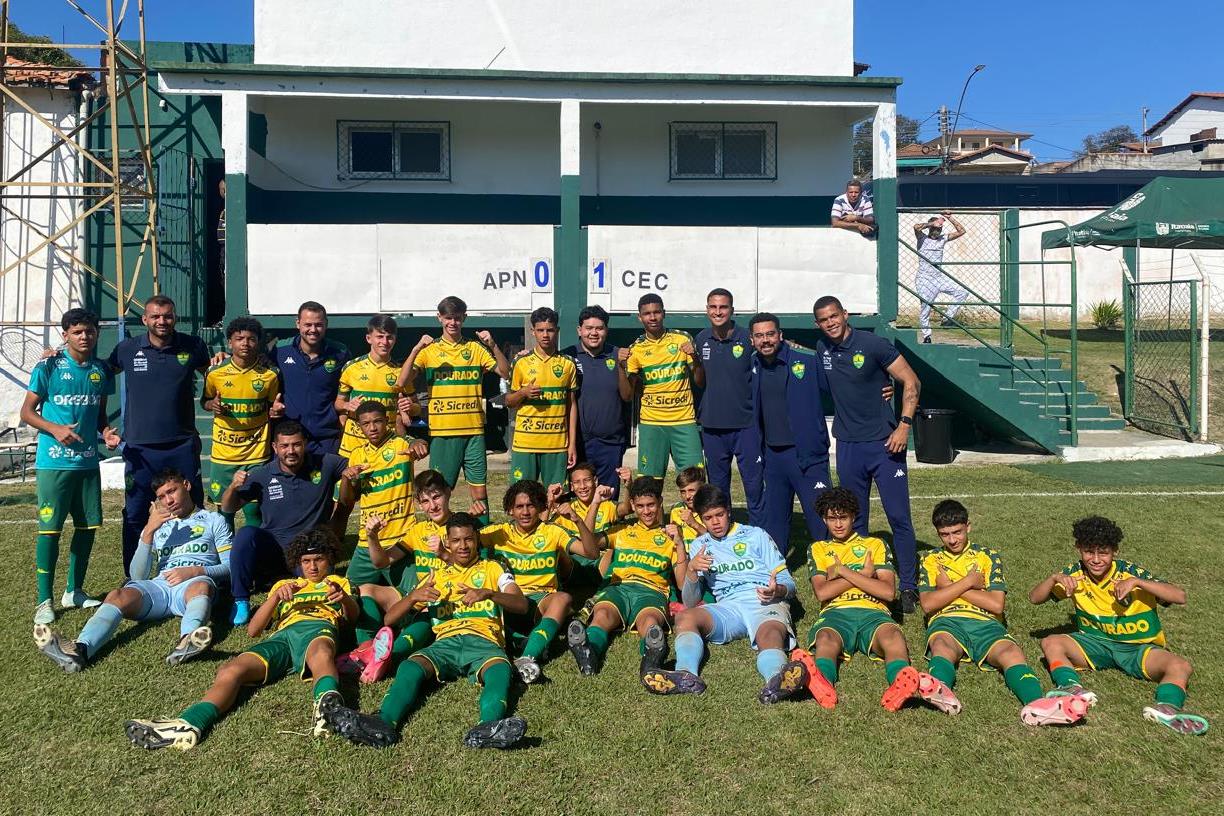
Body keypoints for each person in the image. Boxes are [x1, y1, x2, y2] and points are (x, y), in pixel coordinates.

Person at [124, 526, 398, 750]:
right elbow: (254, 630)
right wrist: (275, 599)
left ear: (330, 558)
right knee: (232, 669)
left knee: (321, 654)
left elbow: (352, 619)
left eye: (319, 559)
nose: (313, 567)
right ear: (298, 563)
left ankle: (329, 709)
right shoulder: (284, 585)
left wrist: (344, 598)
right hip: (283, 636)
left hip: (318, 628)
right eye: (306, 561)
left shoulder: (339, 583)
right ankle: (189, 724)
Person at [34, 469, 232, 671]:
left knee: (200, 587)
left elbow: (230, 567)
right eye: (161, 497)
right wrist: (149, 531)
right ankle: (80, 650)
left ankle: (188, 641)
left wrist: (195, 571)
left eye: (172, 491)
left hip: (194, 584)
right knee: (117, 595)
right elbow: (137, 575)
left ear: (187, 485)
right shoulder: (159, 525)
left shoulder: (213, 520)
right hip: (161, 587)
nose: (168, 500)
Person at [1029, 516, 1208, 735]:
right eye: (1089, 552)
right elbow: (1034, 598)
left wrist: (1138, 582)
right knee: (1051, 642)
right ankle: (1070, 688)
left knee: (1180, 666)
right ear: (1079, 549)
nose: (1096, 559)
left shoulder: (1131, 573)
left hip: (1138, 649)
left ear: (1115, 551)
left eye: (1103, 553)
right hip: (1095, 644)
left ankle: (1167, 709)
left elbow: (1180, 596)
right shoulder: (1075, 573)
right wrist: (1053, 578)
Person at [919, 500, 1089, 726]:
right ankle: (940, 689)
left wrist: (948, 587)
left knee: (1010, 651)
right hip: (948, 620)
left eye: (957, 532)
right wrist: (969, 582)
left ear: (968, 526)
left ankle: (1037, 704)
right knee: (942, 644)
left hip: (986, 621)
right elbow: (928, 604)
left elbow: (996, 605)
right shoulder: (930, 559)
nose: (952, 540)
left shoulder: (988, 556)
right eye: (944, 534)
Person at [375, 512, 532, 749]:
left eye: (468, 539)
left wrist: (489, 593)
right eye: (456, 540)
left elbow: (521, 605)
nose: (463, 546)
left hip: (484, 641)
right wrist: (413, 597)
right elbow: (389, 619)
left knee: (500, 670)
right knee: (410, 665)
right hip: (445, 643)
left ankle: (489, 727)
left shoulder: (493, 569)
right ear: (447, 542)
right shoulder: (436, 575)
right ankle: (383, 722)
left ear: (477, 539)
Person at [791, 488, 953, 712]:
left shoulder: (875, 545)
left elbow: (887, 592)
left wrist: (842, 572)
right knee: (826, 638)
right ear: (824, 520)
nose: (838, 524)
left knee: (893, 637)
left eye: (843, 517)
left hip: (874, 612)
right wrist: (865, 575)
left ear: (853, 516)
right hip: (836, 612)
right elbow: (822, 592)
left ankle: (900, 682)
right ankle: (822, 682)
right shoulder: (818, 548)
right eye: (831, 519)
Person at [642, 485, 807, 704]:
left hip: (764, 601)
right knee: (685, 617)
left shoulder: (755, 535)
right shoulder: (700, 545)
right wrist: (691, 570)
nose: (715, 522)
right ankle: (685, 674)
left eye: (719, 515)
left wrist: (778, 590)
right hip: (729, 607)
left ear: (728, 511)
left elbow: (789, 583)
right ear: (701, 518)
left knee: (769, 634)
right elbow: (690, 601)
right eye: (708, 518)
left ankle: (777, 679)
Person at [813, 296, 923, 613]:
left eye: (834, 316)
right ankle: (861, 582)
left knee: (898, 517)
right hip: (849, 446)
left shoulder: (873, 344)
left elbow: (911, 380)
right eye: (824, 320)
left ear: (845, 314)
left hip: (885, 444)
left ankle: (908, 586)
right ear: (818, 324)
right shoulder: (822, 349)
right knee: (854, 520)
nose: (831, 323)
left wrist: (903, 426)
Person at [22, 308, 120, 624]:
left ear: (96, 334)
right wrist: (55, 429)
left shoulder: (100, 371)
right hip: (54, 463)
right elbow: (27, 412)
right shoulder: (48, 366)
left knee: (87, 528)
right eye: (77, 332)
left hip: (88, 463)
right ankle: (44, 601)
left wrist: (106, 432)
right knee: (50, 530)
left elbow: (100, 416)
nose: (84, 336)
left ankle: (74, 591)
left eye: (89, 331)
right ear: (65, 335)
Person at [107, 294, 211, 575]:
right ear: (145, 319)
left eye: (167, 316)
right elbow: (97, 375)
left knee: (193, 506)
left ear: (175, 317)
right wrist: (103, 426)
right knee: (135, 511)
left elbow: (215, 373)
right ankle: (133, 575)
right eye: (155, 316)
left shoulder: (193, 346)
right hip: (140, 448)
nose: (162, 321)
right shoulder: (127, 349)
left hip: (182, 444)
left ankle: (197, 567)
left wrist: (219, 366)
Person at [339, 469, 474, 684]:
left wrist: (444, 554)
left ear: (448, 492)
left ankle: (389, 656)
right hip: (418, 597)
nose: (433, 506)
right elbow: (382, 562)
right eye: (425, 501)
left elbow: (475, 568)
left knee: (425, 617)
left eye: (437, 497)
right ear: (419, 504)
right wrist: (372, 537)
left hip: (447, 602)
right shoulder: (418, 530)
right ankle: (367, 647)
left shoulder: (461, 528)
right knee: (366, 589)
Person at [398, 296, 510, 527]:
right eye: (448, 318)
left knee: (479, 492)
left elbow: (505, 372)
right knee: (437, 492)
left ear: (464, 318)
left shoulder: (475, 348)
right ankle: (439, 538)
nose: (453, 323)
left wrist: (493, 345)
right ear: (439, 318)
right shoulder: (429, 351)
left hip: (473, 433)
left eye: (457, 318)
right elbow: (402, 381)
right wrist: (416, 348)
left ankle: (481, 538)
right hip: (443, 433)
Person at [220, 421, 347, 625]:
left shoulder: (326, 463)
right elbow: (228, 507)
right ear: (275, 447)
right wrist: (233, 486)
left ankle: (286, 582)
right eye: (284, 446)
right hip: (274, 550)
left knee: (318, 589)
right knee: (246, 534)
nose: (291, 451)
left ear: (305, 444)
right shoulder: (263, 474)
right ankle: (241, 600)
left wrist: (353, 472)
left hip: (308, 551)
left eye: (296, 444)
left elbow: (358, 464)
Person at [567, 476, 688, 680]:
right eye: (640, 506)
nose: (646, 511)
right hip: (619, 588)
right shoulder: (622, 531)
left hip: (651, 591)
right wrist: (595, 503)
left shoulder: (671, 536)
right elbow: (587, 542)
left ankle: (651, 658)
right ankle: (589, 652)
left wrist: (680, 545)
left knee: (649, 622)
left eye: (651, 505)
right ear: (632, 504)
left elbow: (683, 583)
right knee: (602, 614)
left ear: (660, 502)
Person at [481, 479, 597, 684]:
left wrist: (577, 520)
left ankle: (527, 656)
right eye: (519, 506)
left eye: (531, 505)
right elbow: (460, 542)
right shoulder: (497, 533)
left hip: (541, 601)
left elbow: (592, 553)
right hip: (509, 600)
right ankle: (525, 641)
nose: (525, 512)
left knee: (563, 598)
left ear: (541, 507)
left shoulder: (552, 531)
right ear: (510, 510)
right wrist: (473, 520)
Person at [748, 312, 833, 556]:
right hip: (773, 457)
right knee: (775, 522)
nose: (765, 340)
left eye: (770, 334)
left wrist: (881, 387)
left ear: (780, 335)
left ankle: (829, 567)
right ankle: (778, 569)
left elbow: (842, 384)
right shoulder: (752, 365)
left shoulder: (807, 360)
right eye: (759, 336)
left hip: (807, 455)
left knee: (820, 518)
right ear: (752, 340)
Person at [202, 317, 283, 529]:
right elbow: (205, 401)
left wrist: (275, 411)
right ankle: (227, 550)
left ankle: (253, 548)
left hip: (256, 453)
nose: (245, 343)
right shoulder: (214, 372)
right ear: (230, 342)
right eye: (239, 339)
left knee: (254, 510)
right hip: (224, 454)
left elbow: (272, 406)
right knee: (224, 511)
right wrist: (212, 405)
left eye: (251, 339)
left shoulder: (270, 374)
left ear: (258, 343)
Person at [338, 400, 429, 589]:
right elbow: (347, 500)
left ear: (387, 421)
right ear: (359, 426)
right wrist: (346, 478)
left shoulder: (401, 444)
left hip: (401, 540)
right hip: (368, 542)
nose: (372, 428)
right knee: (348, 592)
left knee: (416, 595)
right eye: (366, 424)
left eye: (377, 421)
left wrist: (419, 444)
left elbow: (418, 443)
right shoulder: (357, 455)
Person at [695, 289, 764, 523]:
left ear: (732, 310)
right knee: (718, 490)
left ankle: (759, 533)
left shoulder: (747, 338)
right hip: (713, 426)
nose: (718, 312)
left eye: (723, 307)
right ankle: (725, 536)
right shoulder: (701, 339)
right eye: (713, 307)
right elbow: (700, 381)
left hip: (746, 426)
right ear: (707, 310)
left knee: (754, 486)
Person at [620, 294, 705, 478]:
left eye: (657, 312)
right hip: (652, 423)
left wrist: (695, 357)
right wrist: (622, 367)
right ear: (639, 317)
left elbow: (700, 382)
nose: (653, 317)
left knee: (695, 480)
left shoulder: (682, 339)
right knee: (649, 483)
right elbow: (628, 395)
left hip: (684, 420)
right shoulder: (636, 349)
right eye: (647, 313)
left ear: (664, 313)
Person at [563, 306, 632, 499]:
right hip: (577, 443)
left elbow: (628, 396)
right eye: (589, 328)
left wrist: (621, 366)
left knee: (607, 499)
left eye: (599, 328)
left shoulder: (618, 355)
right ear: (579, 330)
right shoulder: (567, 356)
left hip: (610, 442)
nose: (594, 333)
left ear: (606, 330)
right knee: (578, 497)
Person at [505, 307, 578, 487]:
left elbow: (571, 406)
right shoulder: (520, 362)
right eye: (540, 330)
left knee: (556, 497)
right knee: (522, 495)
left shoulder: (568, 363)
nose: (545, 335)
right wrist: (523, 393)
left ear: (557, 331)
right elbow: (509, 401)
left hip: (557, 444)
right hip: (525, 443)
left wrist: (572, 444)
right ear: (533, 331)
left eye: (550, 330)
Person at [272, 301, 351, 455]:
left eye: (318, 325)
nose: (313, 330)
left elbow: (348, 390)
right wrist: (226, 356)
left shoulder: (340, 353)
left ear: (326, 324)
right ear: (298, 323)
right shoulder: (279, 350)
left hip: (327, 439)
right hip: (290, 440)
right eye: (308, 324)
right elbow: (252, 363)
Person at [336, 314, 412, 461]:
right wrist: (346, 405)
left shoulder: (401, 372)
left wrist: (409, 406)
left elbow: (416, 407)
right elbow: (338, 404)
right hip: (354, 446)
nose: (385, 342)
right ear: (369, 338)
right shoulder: (351, 368)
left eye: (389, 337)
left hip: (385, 446)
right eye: (380, 337)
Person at [913, 211, 967, 344]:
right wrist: (933, 223)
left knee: (962, 292)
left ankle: (947, 317)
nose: (937, 231)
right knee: (926, 307)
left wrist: (949, 218)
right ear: (930, 228)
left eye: (939, 229)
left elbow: (961, 231)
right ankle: (927, 336)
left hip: (938, 277)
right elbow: (916, 227)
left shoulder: (943, 239)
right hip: (924, 279)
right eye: (935, 229)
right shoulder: (922, 238)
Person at [669, 466, 707, 547]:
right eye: (683, 492)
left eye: (691, 490)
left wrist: (695, 524)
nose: (687, 496)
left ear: (703, 488)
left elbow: (717, 541)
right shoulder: (676, 509)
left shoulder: (711, 510)